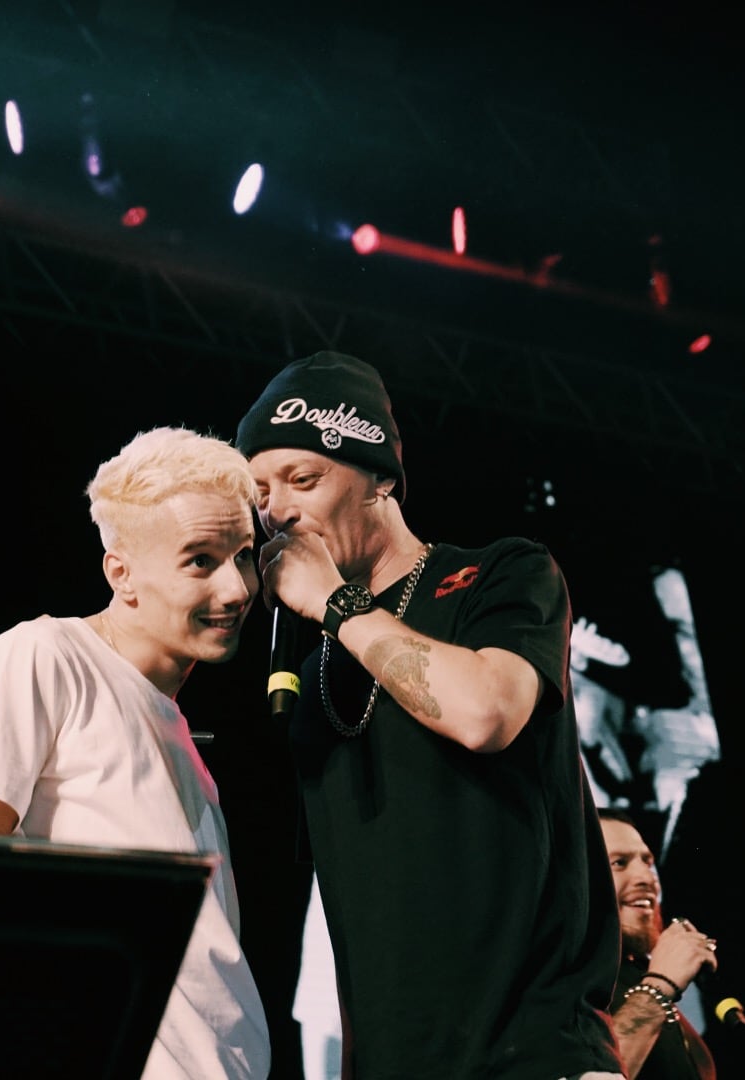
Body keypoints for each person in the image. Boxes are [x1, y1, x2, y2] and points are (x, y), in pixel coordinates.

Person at [237, 350, 624, 1080]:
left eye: (304, 479)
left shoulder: (503, 574)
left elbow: (486, 712)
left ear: (380, 476)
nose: (277, 509)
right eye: (259, 489)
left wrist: (337, 604)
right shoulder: (315, 667)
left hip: (536, 1054)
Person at [0, 426, 271, 1080]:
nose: (237, 589)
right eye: (201, 560)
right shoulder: (45, 655)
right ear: (122, 573)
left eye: (244, 555)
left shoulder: (173, 724)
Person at [597, 807, 718, 1079]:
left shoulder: (635, 975)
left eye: (647, 862)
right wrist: (660, 985)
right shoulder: (556, 981)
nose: (647, 879)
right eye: (619, 863)